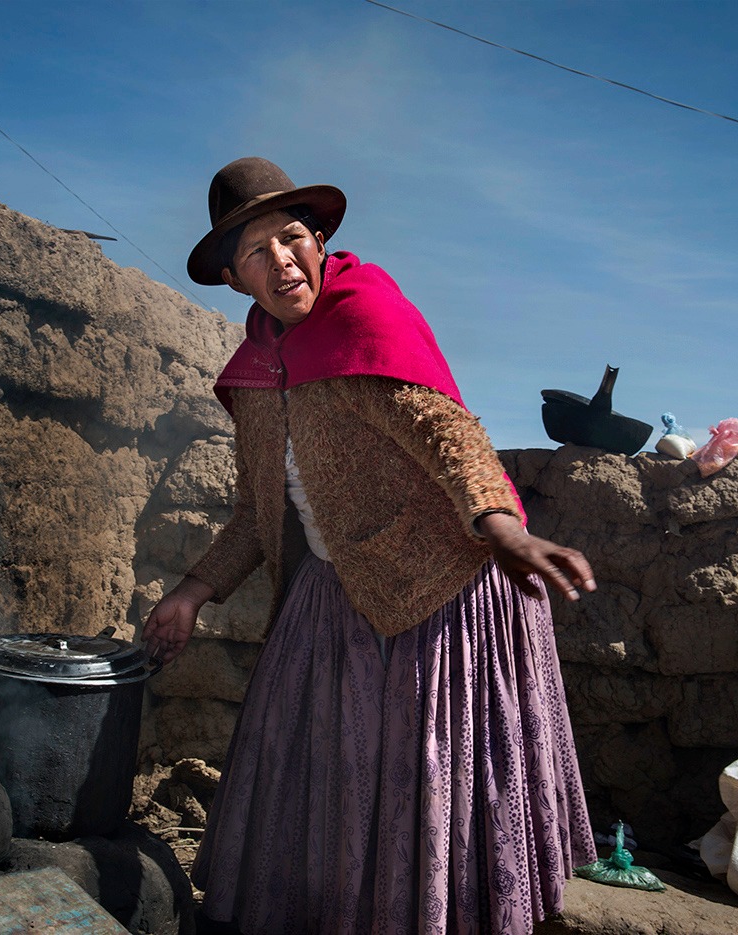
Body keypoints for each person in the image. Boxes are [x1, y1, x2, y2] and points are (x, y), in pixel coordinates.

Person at [143, 156, 598, 935]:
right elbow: (260, 510)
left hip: (438, 589)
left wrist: (500, 525)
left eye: (292, 238)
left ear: (318, 239)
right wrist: (191, 591)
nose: (282, 261)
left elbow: (446, 432)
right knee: (321, 786)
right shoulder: (255, 375)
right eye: (255, 251)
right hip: (335, 595)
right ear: (232, 277)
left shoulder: (364, 320)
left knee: (430, 785)